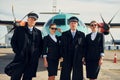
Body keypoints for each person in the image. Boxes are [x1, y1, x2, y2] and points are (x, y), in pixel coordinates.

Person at [10, 13, 43, 80]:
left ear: (35, 21)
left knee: (28, 77)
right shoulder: (19, 30)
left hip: (32, 60)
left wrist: (37, 55)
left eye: (34, 20)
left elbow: (40, 45)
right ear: (27, 19)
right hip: (20, 58)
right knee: (15, 76)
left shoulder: (38, 32)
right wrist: (17, 52)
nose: (32, 21)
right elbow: (13, 41)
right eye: (30, 19)